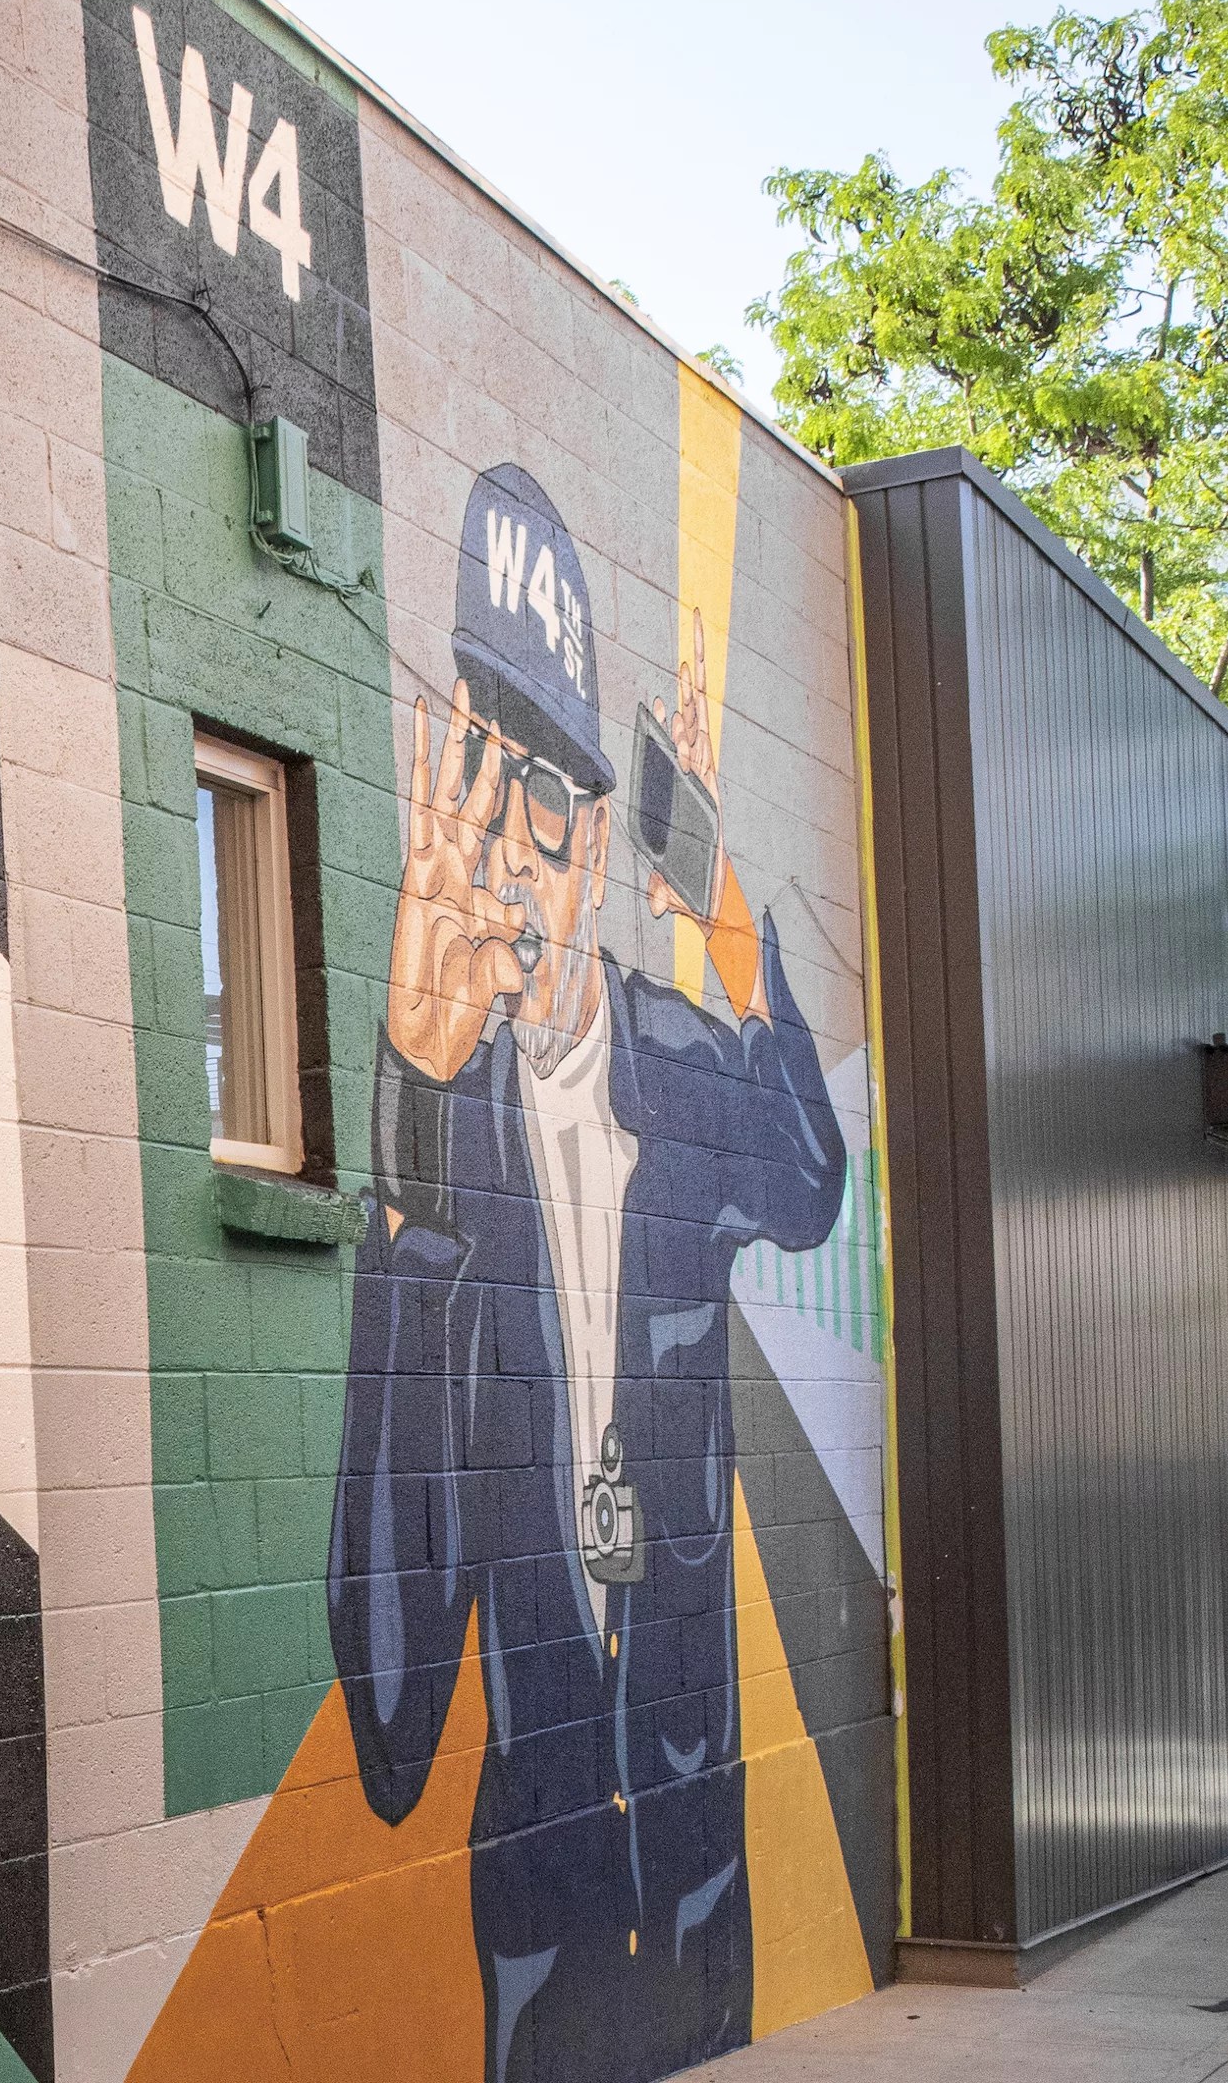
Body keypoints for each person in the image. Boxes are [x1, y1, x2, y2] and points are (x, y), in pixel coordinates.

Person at [328, 465, 845, 2081]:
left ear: (601, 836)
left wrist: (730, 917)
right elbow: (390, 1707)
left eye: (546, 800)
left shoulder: (684, 1068)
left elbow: (812, 1188)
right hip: (535, 1932)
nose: (508, 852)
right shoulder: (446, 1141)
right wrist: (408, 1128)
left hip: (702, 1886)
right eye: (476, 787)